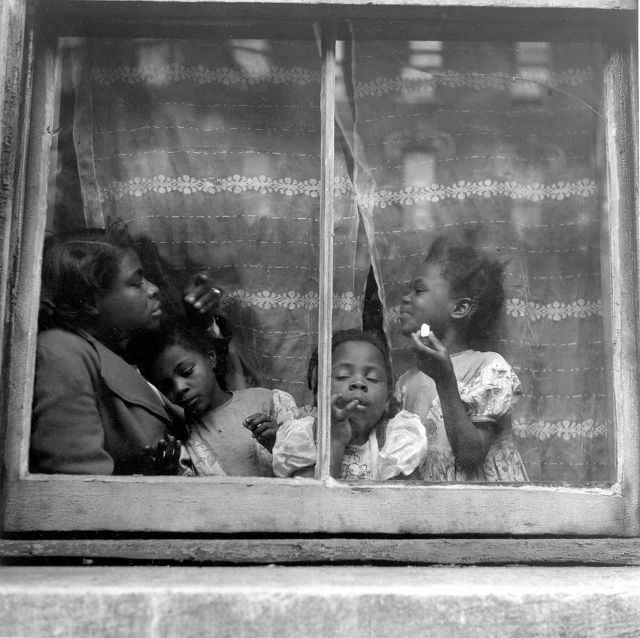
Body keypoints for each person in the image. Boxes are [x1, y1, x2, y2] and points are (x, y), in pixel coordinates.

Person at [30, 227, 199, 474]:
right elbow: (76, 479)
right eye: (136, 281)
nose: (153, 289)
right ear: (89, 303)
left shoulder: (114, 350)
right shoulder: (61, 352)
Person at [396, 235, 528, 482]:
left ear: (459, 308)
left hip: (479, 510)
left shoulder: (489, 369)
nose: (406, 298)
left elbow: (470, 456)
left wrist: (445, 380)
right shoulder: (407, 382)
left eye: (419, 290)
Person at [142, 323, 299, 477]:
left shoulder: (269, 402)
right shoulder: (181, 439)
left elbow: (306, 467)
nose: (179, 388)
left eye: (186, 372)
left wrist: (279, 442)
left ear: (211, 358)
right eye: (167, 386)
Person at [272, 329, 426, 480]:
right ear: (319, 389)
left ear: (387, 397)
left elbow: (403, 501)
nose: (359, 383)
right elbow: (314, 501)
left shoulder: (396, 441)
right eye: (342, 375)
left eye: (372, 378)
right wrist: (334, 442)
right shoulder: (303, 440)